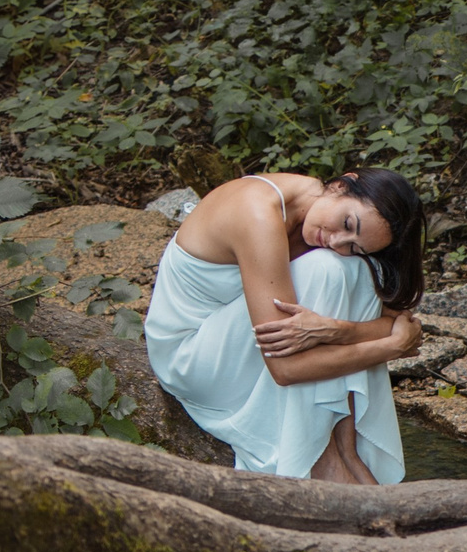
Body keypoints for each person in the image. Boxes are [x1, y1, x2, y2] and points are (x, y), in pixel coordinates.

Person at [145, 168, 427, 484]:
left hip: (243, 338)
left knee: (358, 270)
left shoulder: (319, 214)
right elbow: (287, 369)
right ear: (339, 185)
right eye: (348, 224)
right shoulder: (258, 214)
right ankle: (321, 458)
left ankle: (347, 449)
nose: (336, 240)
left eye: (354, 245)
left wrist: (337, 330)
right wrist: (391, 347)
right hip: (191, 352)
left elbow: (395, 320)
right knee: (328, 269)